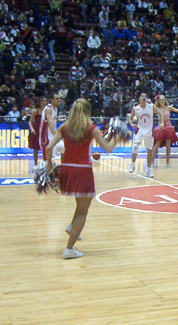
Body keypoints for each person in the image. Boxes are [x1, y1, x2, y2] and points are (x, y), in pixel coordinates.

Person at [46, 99, 121, 259]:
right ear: (88, 112)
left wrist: (49, 169)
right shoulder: (90, 128)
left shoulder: (65, 127)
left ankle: (72, 227)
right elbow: (107, 148)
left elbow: (49, 147)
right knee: (83, 211)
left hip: (66, 170)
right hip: (83, 172)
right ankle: (69, 248)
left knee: (79, 206)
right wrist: (118, 135)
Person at [128, 93, 164, 178]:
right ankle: (132, 164)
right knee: (135, 146)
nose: (143, 98)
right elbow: (129, 118)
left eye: (145, 96)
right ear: (139, 98)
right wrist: (132, 124)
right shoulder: (136, 108)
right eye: (142, 96)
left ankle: (148, 170)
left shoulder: (151, 106)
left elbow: (161, 113)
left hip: (149, 132)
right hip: (140, 131)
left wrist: (162, 122)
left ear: (146, 98)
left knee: (149, 151)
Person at [151, 95, 178, 167]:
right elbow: (149, 114)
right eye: (160, 100)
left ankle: (168, 162)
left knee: (168, 145)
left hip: (168, 126)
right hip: (160, 126)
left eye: (163, 99)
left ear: (165, 100)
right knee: (157, 144)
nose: (162, 101)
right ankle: (152, 161)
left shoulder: (169, 108)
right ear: (158, 101)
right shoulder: (157, 108)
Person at [39, 93, 63, 161]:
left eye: (60, 98)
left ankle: (64, 168)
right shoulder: (48, 109)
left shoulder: (56, 109)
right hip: (46, 138)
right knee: (49, 161)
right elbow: (50, 123)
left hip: (53, 136)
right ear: (52, 100)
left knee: (65, 149)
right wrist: (56, 136)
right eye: (57, 98)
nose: (59, 100)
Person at [28, 97, 47, 166]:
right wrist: (32, 129)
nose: (44, 102)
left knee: (45, 147)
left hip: (44, 130)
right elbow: (30, 122)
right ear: (40, 103)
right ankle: (35, 164)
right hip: (36, 130)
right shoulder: (36, 111)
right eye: (43, 101)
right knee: (36, 148)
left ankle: (45, 162)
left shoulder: (48, 111)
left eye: (45, 101)